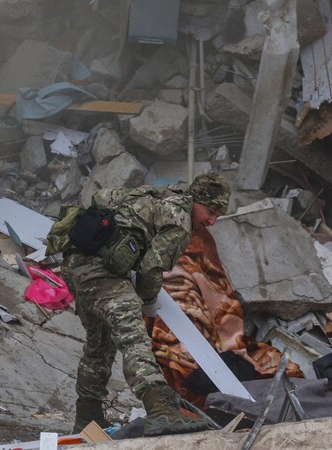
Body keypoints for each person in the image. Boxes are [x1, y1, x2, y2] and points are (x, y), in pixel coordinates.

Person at [59, 173, 230, 436]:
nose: (212, 220)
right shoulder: (180, 220)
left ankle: (87, 420)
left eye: (218, 215)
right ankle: (161, 411)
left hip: (74, 264)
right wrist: (147, 301)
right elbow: (152, 267)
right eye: (210, 211)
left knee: (100, 344)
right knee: (134, 338)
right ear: (196, 200)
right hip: (101, 274)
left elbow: (103, 197)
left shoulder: (155, 195)